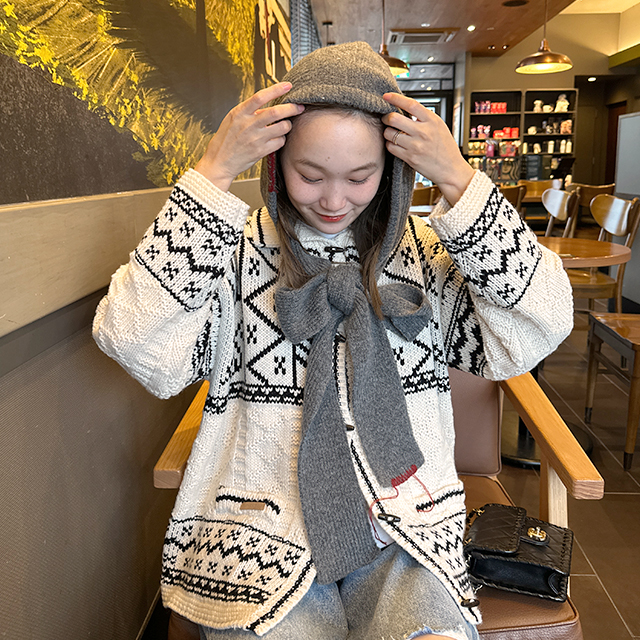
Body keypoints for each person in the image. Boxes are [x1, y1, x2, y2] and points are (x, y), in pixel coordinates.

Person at [93, 42, 573, 640]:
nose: (333, 200)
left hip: (408, 530)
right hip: (258, 534)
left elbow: (541, 323)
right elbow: (133, 338)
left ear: (392, 170)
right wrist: (211, 177)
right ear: (275, 163)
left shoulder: (427, 257)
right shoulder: (231, 251)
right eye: (310, 175)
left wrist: (460, 181)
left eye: (360, 177)